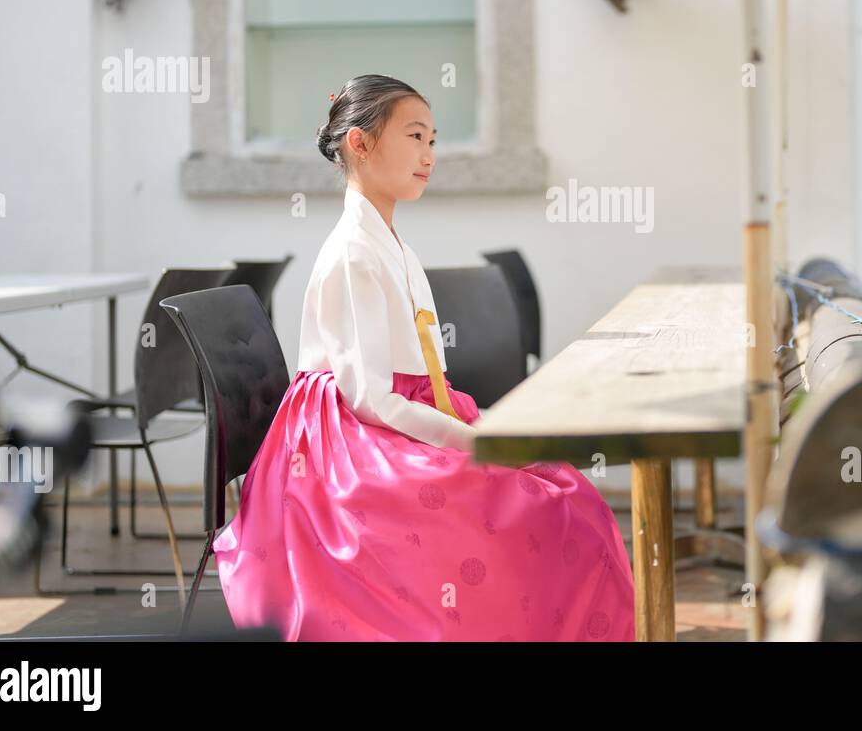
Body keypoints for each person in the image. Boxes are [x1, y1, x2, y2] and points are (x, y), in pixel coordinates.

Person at [211, 74, 636, 641]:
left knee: (562, 488)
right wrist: (472, 441)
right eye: (415, 137)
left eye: (433, 140)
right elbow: (368, 397)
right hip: (351, 441)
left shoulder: (392, 245)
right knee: (532, 505)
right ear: (360, 144)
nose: (429, 155)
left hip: (404, 413)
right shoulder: (352, 254)